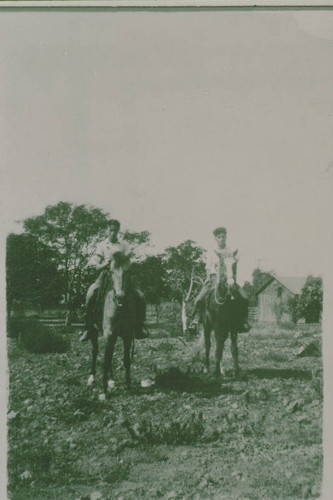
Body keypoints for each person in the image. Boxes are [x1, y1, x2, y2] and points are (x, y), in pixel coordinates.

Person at [79, 219, 146, 341]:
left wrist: (124, 262)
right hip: (106, 275)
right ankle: (88, 327)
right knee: (90, 293)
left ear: (118, 231)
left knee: (140, 296)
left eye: (115, 230)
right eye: (111, 230)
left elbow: (128, 261)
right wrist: (104, 264)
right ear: (107, 231)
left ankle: (139, 327)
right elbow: (95, 263)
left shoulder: (124, 245)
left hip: (123, 276)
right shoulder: (102, 245)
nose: (113, 233)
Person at [189, 226, 250, 333]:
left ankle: (242, 320)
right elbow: (208, 267)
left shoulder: (230, 250)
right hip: (213, 278)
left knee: (244, 297)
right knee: (198, 299)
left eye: (223, 236)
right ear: (215, 239)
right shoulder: (211, 251)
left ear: (226, 237)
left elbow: (234, 263)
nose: (221, 239)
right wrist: (208, 278)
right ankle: (195, 320)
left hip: (228, 279)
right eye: (219, 237)